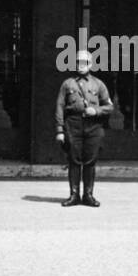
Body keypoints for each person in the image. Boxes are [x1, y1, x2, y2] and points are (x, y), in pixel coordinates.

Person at [55, 49, 114, 207]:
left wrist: (96, 110)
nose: (81, 66)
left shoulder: (98, 84)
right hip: (73, 124)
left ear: (90, 64)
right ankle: (74, 195)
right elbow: (60, 106)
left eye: (84, 63)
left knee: (90, 160)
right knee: (73, 160)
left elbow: (109, 106)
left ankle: (88, 195)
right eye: (78, 62)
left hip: (93, 126)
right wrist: (60, 130)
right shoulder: (68, 84)